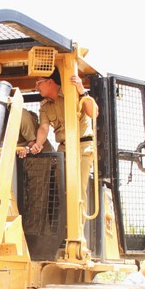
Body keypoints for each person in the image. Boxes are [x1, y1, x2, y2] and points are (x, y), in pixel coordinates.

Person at [25, 69, 98, 221]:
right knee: (62, 191)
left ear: (49, 81)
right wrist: (38, 144)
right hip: (64, 148)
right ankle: (64, 230)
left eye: (38, 83)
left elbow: (93, 113)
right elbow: (44, 127)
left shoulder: (74, 93)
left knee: (77, 190)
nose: (37, 87)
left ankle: (76, 234)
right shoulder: (45, 106)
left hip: (82, 146)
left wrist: (82, 90)